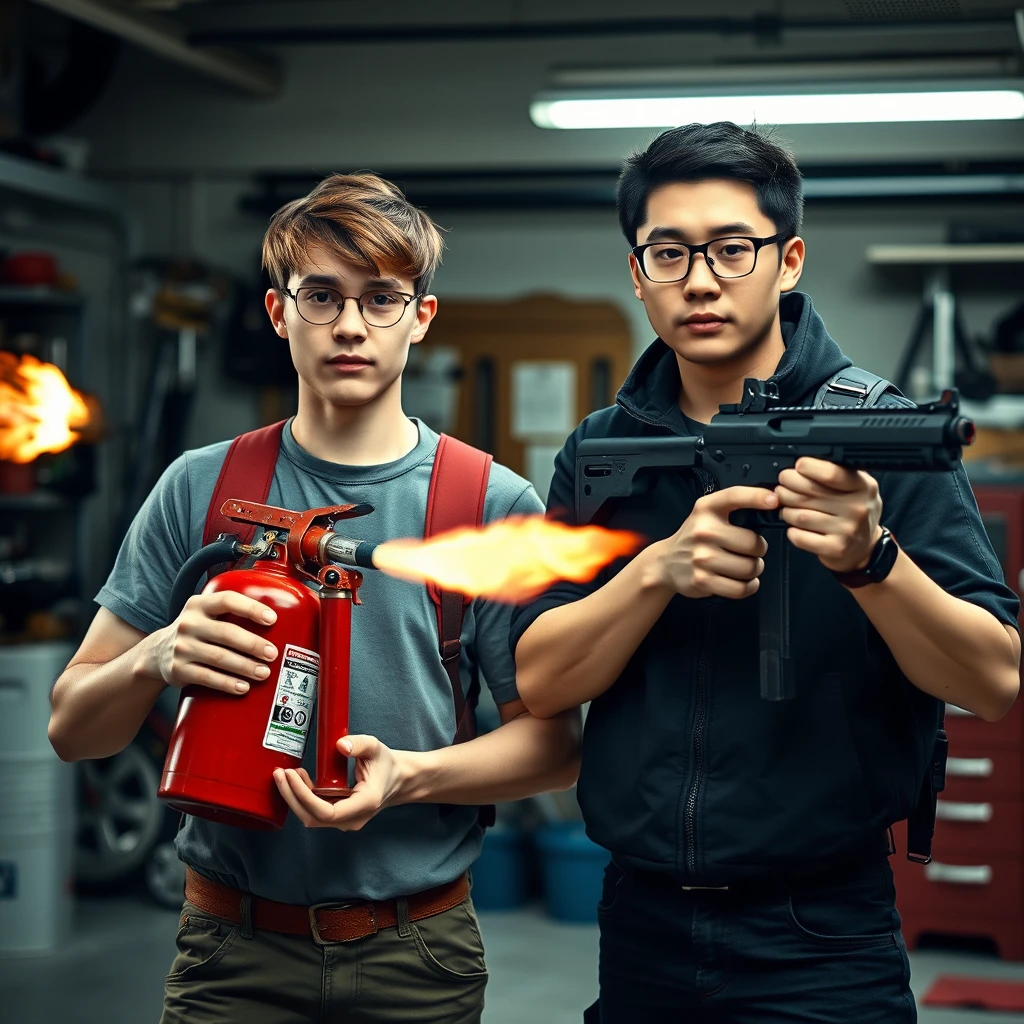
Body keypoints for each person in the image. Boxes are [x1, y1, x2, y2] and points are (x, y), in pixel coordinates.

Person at [511, 122, 1020, 1023]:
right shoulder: (602, 449)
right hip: (640, 922)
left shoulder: (877, 434)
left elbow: (991, 680)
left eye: (731, 249)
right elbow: (542, 679)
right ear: (638, 274)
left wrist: (873, 562)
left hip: (822, 933)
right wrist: (656, 573)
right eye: (668, 253)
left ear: (787, 261)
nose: (700, 280)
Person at [49, 172, 581, 1024]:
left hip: (419, 953)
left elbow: (553, 749)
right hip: (230, 952)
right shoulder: (201, 487)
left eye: (380, 299)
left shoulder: (490, 503)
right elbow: (75, 729)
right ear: (277, 312)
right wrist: (155, 655)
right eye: (322, 296)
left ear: (421, 317)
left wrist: (407, 778)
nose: (349, 326)